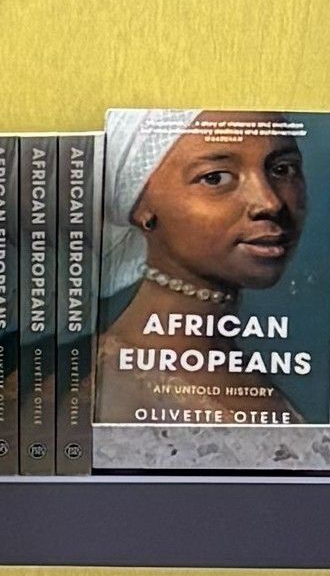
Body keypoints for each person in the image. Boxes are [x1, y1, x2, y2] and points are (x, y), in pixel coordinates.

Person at [97, 114, 311, 421]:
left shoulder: (235, 363)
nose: (270, 203)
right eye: (215, 178)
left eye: (282, 170)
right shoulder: (105, 391)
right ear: (141, 207)